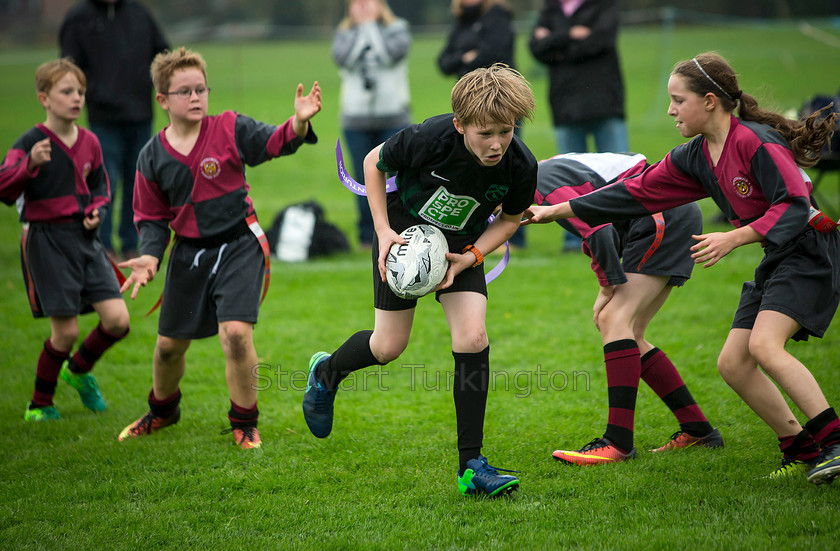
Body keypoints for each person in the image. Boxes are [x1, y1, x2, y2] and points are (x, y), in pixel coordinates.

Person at [522, 52, 840, 485]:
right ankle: (801, 448)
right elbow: (634, 193)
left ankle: (834, 440)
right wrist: (561, 209)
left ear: (710, 101)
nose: (670, 110)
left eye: (678, 100)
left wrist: (735, 236)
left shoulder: (755, 140)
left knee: (765, 347)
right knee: (733, 363)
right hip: (778, 256)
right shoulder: (695, 155)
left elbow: (794, 205)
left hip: (811, 249)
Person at [302, 64, 536, 497]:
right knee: (387, 346)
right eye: (485, 133)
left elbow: (510, 219)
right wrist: (382, 230)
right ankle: (327, 373)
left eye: (505, 131)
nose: (497, 144)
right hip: (403, 235)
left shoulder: (519, 163)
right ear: (459, 124)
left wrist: (471, 258)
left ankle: (472, 467)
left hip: (462, 246)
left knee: (474, 335)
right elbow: (374, 162)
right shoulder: (431, 137)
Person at [116, 47, 321, 449]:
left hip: (239, 243)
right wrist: (150, 257)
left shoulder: (228, 127)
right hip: (188, 252)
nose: (195, 97)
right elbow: (151, 218)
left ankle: (244, 421)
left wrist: (296, 124)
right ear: (162, 100)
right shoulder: (151, 156)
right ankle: (162, 411)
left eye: (201, 89)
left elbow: (271, 142)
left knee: (236, 335)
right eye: (184, 92)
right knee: (168, 348)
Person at [533, 152, 722, 465]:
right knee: (630, 331)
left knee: (613, 318)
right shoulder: (545, 169)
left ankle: (617, 442)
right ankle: (698, 430)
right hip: (667, 214)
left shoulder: (540, 184)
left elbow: (599, 229)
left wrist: (606, 286)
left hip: (662, 216)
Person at [0, 58, 130, 421]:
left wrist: (98, 211)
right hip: (47, 243)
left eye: (81, 92)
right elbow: (4, 187)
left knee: (118, 321)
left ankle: (77, 372)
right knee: (67, 332)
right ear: (44, 97)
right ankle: (40, 404)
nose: (76, 98)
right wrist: (29, 166)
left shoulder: (90, 141)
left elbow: (101, 186)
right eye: (67, 91)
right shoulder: (30, 143)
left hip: (86, 240)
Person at [59, 0, 170, 261]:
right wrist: (95, 92)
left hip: (140, 115)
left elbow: (163, 54)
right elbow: (67, 69)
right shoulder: (79, 18)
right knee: (103, 184)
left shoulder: (139, 13)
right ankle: (103, 247)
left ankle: (132, 245)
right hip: (103, 119)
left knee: (139, 184)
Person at [529, 0, 629, 253]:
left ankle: (627, 233)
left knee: (620, 176)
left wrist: (556, 43)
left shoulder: (603, 6)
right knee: (566, 180)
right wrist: (571, 35)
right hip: (565, 106)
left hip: (605, 102)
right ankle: (576, 239)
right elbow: (537, 49)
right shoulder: (549, 9)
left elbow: (600, 41)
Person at [437, 0, 527, 249]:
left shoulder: (497, 15)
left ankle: (515, 237)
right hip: (472, 109)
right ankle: (479, 234)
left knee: (507, 168)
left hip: (499, 104)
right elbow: (443, 62)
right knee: (473, 172)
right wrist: (468, 56)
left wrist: (465, 58)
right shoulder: (461, 21)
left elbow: (493, 54)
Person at [333, 0, 411, 249]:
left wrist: (371, 28)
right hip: (356, 121)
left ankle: (401, 228)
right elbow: (344, 59)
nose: (363, 6)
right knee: (362, 179)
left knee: (400, 178)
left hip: (394, 118)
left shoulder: (398, 28)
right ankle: (368, 237)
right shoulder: (343, 33)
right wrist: (362, 29)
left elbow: (390, 56)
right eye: (357, 2)